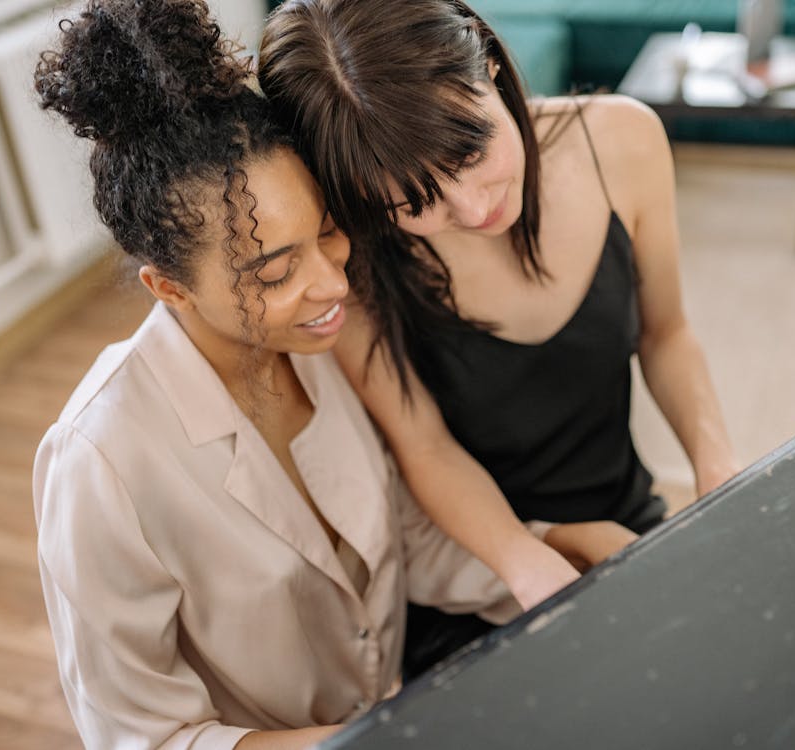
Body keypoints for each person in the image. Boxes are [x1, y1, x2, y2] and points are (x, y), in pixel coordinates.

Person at [31, 1, 631, 747]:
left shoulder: (320, 351)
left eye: (327, 233)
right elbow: (144, 737)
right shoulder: (101, 464)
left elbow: (392, 540)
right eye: (276, 271)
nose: (332, 285)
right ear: (170, 289)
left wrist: (550, 546)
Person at [257, 0, 743, 677]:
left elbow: (666, 334)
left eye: (472, 149)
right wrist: (525, 563)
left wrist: (716, 471)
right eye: (414, 202)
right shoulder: (355, 258)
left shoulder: (621, 141)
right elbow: (423, 446)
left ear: (488, 65)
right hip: (476, 573)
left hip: (625, 518)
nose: (472, 207)